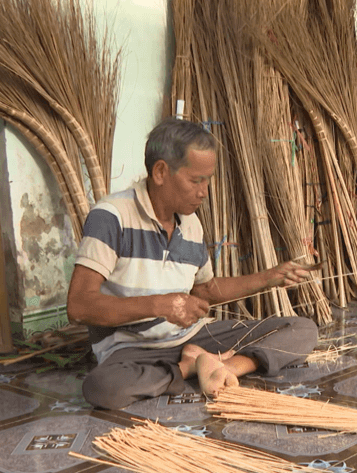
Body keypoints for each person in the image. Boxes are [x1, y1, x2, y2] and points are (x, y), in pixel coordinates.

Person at [67, 118, 319, 409]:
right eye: (196, 180)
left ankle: (225, 366)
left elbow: (205, 290)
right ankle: (190, 367)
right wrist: (161, 305)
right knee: (103, 388)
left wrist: (270, 277)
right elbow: (79, 306)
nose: (204, 192)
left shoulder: (191, 224)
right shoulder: (111, 217)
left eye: (208, 180)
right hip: (132, 350)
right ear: (161, 172)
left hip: (194, 337)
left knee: (302, 329)